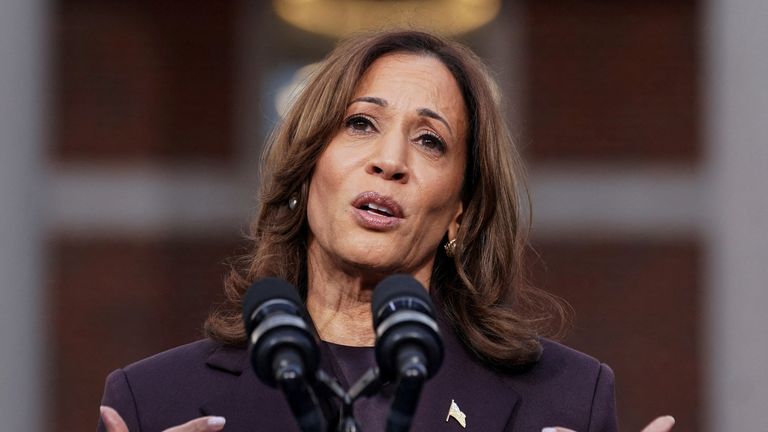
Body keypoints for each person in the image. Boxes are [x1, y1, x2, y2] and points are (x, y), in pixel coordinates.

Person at [97, 30, 673, 432]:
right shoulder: (154, 402)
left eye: (430, 141)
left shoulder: (564, 399)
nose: (390, 160)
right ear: (306, 168)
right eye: (360, 124)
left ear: (461, 211)